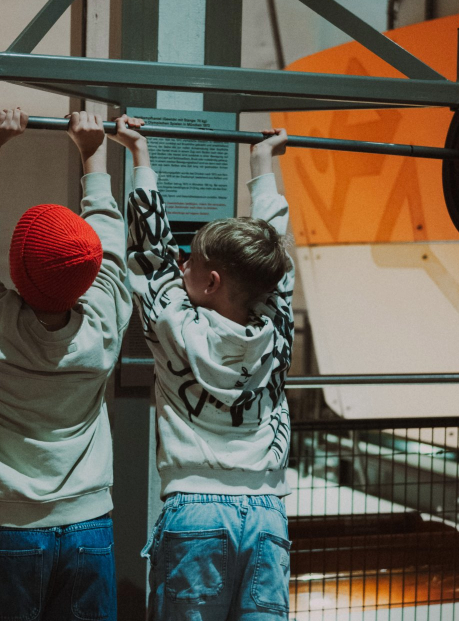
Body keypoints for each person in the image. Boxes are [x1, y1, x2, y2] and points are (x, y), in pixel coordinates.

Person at [0, 108, 132, 621]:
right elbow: (110, 249)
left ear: (16, 266)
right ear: (88, 277)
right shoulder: (105, 323)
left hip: (3, 529)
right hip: (89, 522)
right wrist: (94, 154)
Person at [111, 118, 294, 620]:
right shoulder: (278, 325)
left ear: (210, 282)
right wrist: (262, 166)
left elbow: (149, 255)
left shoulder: (176, 328)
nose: (178, 260)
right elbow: (276, 258)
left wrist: (140, 154)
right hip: (268, 516)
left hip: (195, 512)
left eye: (188, 260)